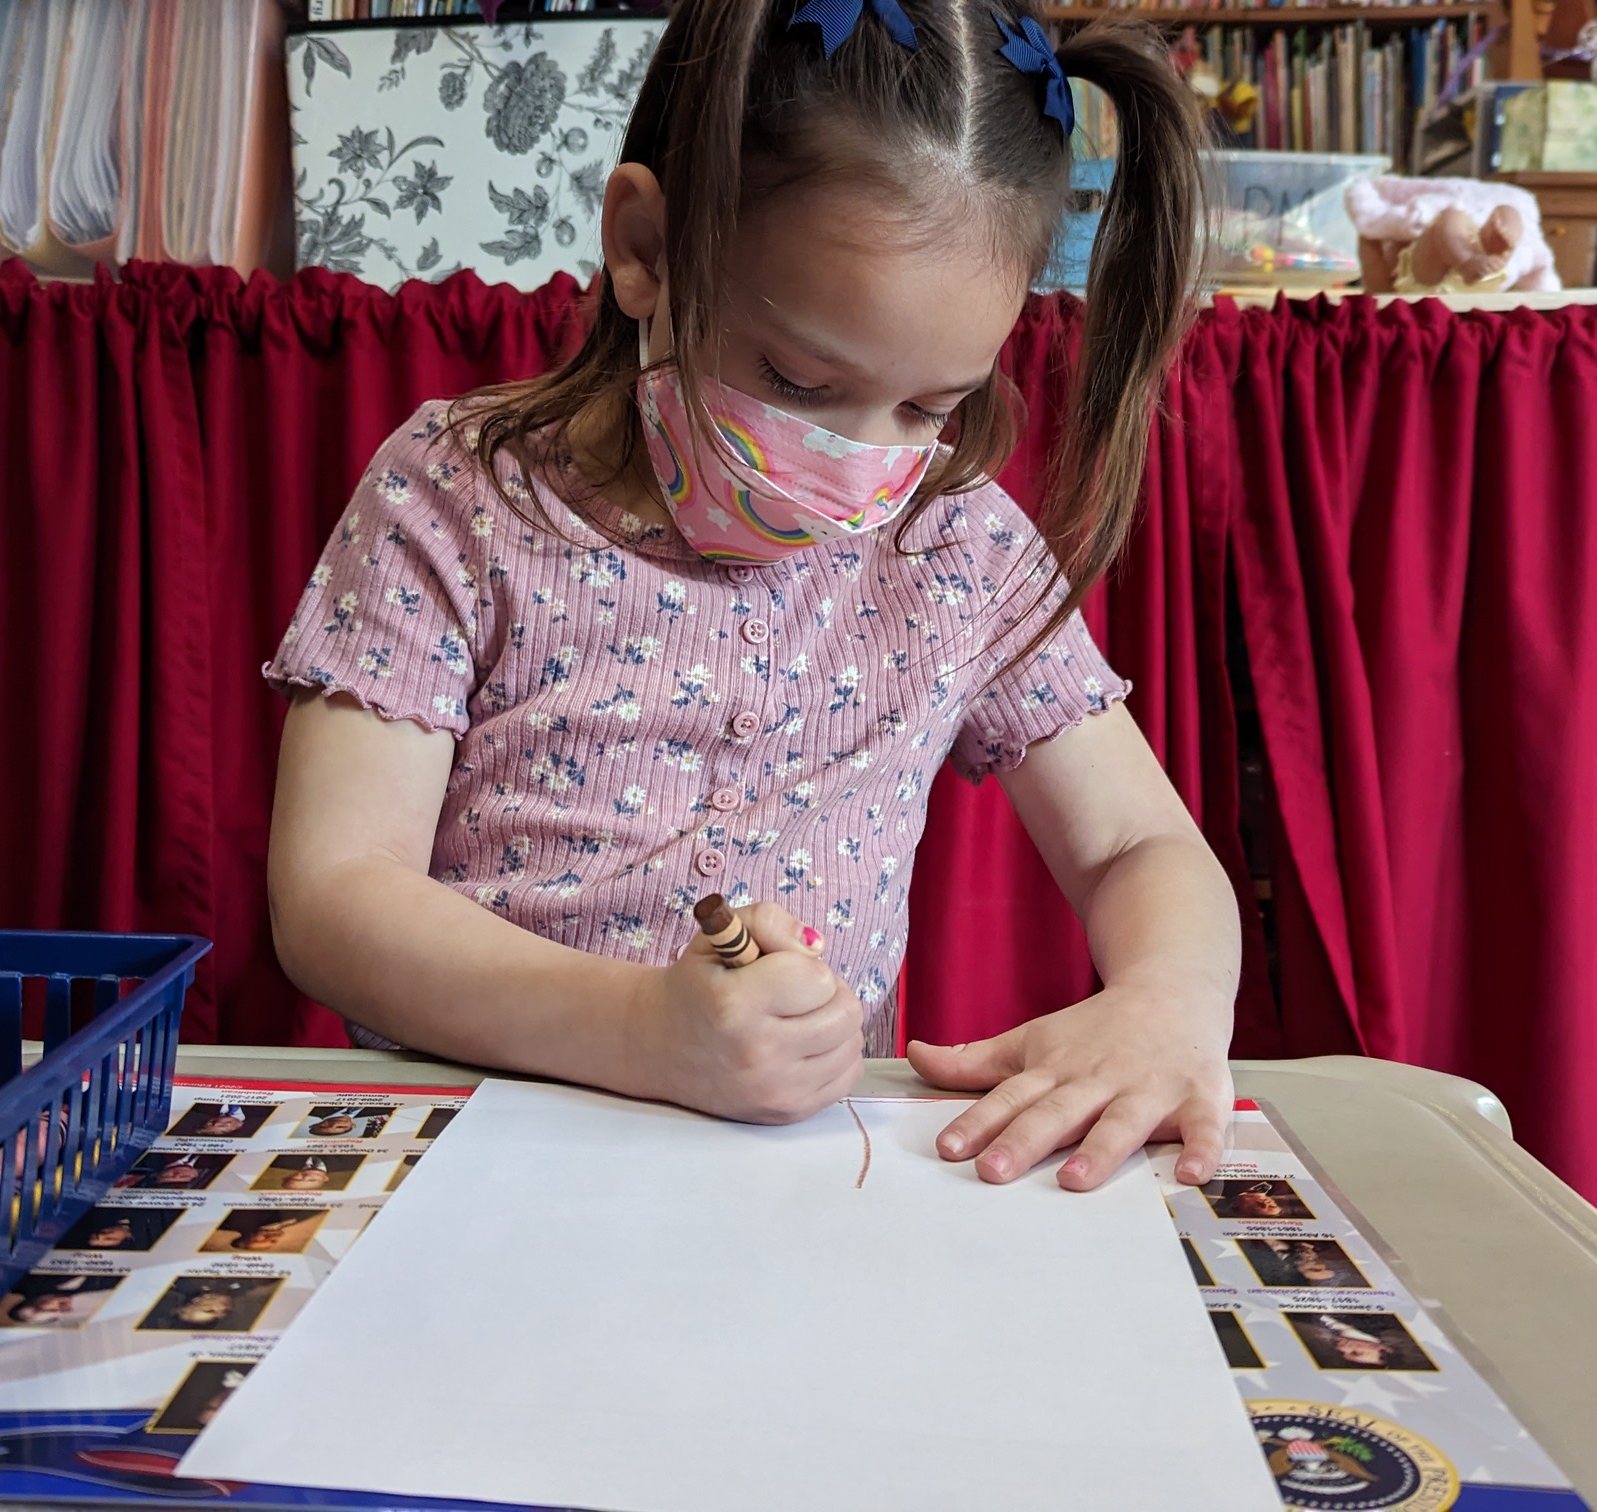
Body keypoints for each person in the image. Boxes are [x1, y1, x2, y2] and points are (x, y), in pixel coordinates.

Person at [264, 0, 1234, 1192]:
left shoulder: (957, 544)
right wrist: (636, 1029)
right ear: (647, 248)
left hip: (798, 1199)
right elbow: (333, 893)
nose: (859, 459)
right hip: (476, 1177)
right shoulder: (456, 493)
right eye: (799, 380)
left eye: (929, 407)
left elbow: (1139, 842)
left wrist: (1167, 998)